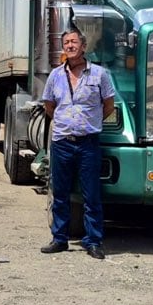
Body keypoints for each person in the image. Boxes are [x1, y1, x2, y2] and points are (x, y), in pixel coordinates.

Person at [40, 28, 113, 260]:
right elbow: (49, 106)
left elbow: (108, 105)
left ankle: (93, 241)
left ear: (83, 46)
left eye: (74, 42)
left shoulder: (99, 74)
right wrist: (65, 124)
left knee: (91, 195)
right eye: (66, 43)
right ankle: (59, 239)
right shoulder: (55, 76)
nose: (70, 46)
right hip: (62, 142)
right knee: (60, 193)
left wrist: (90, 123)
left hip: (88, 143)